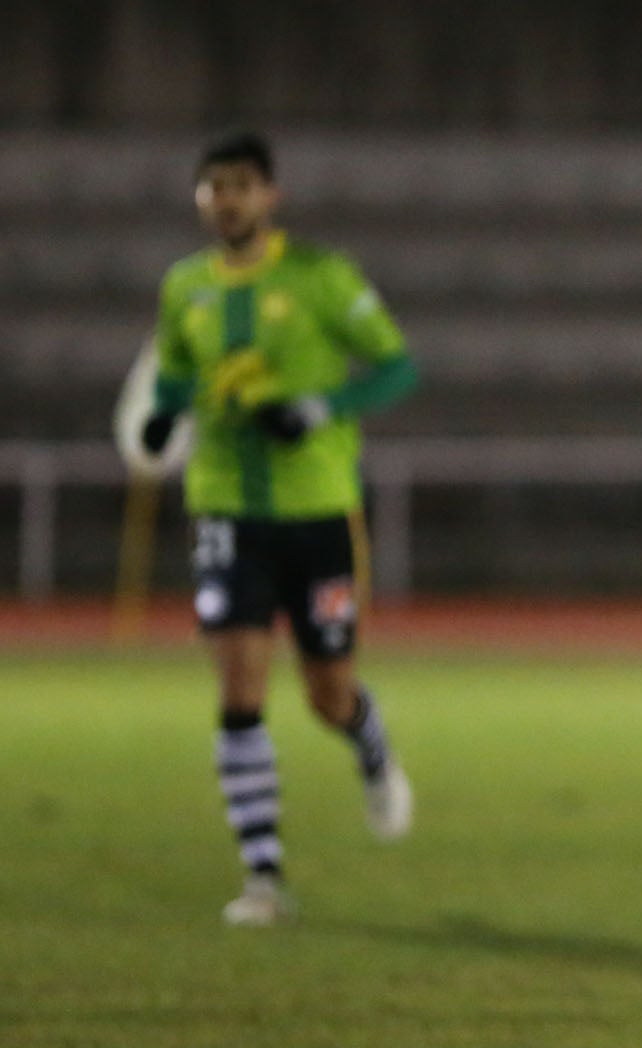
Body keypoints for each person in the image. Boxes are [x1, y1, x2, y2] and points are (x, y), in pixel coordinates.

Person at [138, 131, 422, 925]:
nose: (226, 200)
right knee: (239, 682)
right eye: (213, 187)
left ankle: (369, 742)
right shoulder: (183, 287)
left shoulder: (321, 277)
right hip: (226, 505)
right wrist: (160, 419)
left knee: (327, 693)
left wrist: (321, 408)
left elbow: (399, 367)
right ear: (200, 200)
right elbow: (170, 372)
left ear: (271, 197)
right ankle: (263, 873)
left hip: (318, 510)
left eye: (241, 185)